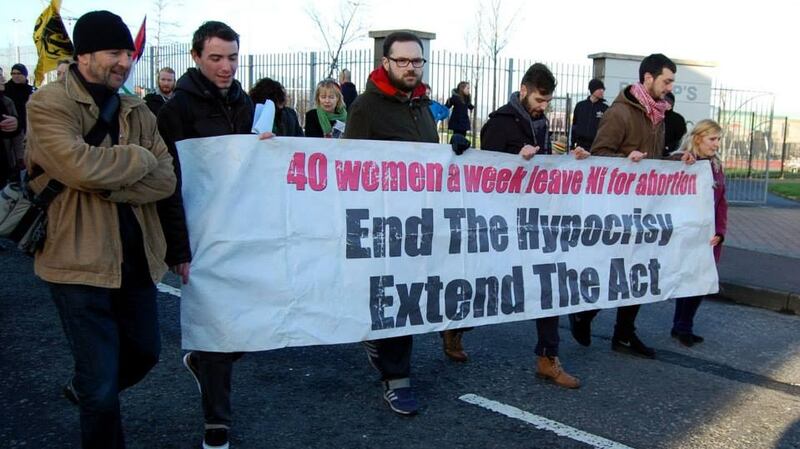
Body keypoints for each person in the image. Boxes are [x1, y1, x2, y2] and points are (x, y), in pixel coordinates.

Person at [24, 10, 176, 448]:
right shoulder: (48, 103)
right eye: (115, 53)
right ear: (84, 54)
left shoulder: (137, 108)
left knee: (146, 353)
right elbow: (79, 167)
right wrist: (139, 161)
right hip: (77, 262)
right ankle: (94, 397)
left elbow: (166, 179)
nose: (125, 62)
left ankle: (88, 389)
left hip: (136, 260)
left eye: (129, 54)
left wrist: (111, 182)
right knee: (102, 386)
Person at [157, 20, 274, 449]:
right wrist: (178, 246)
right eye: (216, 58)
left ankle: (204, 363)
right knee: (215, 324)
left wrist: (266, 146)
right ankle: (216, 422)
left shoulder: (246, 103)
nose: (226, 67)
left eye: (232, 58)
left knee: (259, 317)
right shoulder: (176, 111)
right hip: (201, 233)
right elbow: (169, 182)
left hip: (240, 227)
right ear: (196, 58)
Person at [452, 63, 586, 390]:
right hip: (503, 222)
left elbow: (545, 167)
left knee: (549, 285)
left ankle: (547, 357)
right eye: (540, 100)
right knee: (491, 287)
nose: (544, 107)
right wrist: (516, 159)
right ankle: (456, 326)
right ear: (523, 90)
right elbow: (488, 173)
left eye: (547, 102)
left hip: (537, 219)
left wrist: (572, 158)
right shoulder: (498, 123)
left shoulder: (539, 123)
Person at [569, 53, 692, 359]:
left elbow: (653, 161)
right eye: (666, 80)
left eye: (672, 81)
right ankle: (584, 313)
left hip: (645, 208)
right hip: (618, 209)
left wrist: (676, 162)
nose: (669, 87)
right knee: (613, 269)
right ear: (648, 78)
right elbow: (598, 157)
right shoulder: (620, 113)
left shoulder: (658, 114)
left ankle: (624, 334)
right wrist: (625, 162)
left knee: (639, 272)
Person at [344, 31, 438, 416]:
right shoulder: (366, 106)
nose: (411, 68)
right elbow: (350, 167)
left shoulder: (423, 106)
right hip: (384, 223)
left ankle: (378, 343)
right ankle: (396, 379)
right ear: (386, 63)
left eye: (417, 61)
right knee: (397, 297)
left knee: (409, 294)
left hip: (420, 220)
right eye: (403, 61)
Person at [669, 119, 726, 346]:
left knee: (701, 281)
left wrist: (721, 231)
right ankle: (681, 326)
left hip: (708, 234)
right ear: (698, 138)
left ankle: (683, 325)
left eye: (719, 140)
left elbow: (722, 203)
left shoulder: (716, 166)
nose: (717, 145)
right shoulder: (680, 161)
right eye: (713, 139)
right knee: (686, 279)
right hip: (684, 233)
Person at [4, 63, 34, 177]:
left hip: (27, 127)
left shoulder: (31, 90)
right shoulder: (6, 89)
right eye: (13, 73)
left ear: (25, 75)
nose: (15, 76)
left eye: (18, 73)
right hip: (10, 128)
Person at [571, 78, 608, 150]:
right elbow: (574, 126)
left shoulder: (605, 108)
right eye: (599, 89)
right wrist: (572, 145)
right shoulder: (580, 106)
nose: (602, 91)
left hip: (596, 147)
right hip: (580, 146)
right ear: (593, 90)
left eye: (603, 89)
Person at [0, 73, 20, 186]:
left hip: (6, 161)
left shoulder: (6, 101)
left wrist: (16, 123)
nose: (3, 79)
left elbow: (16, 132)